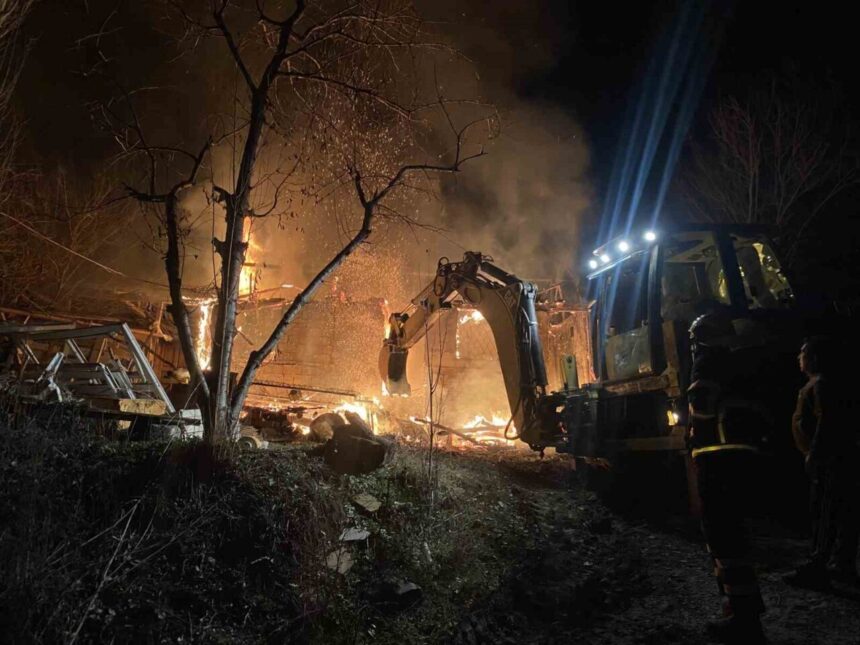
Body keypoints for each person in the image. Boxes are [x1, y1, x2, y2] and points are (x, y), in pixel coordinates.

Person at [686, 314, 767, 643]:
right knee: (734, 534)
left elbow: (701, 402)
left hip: (716, 456)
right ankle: (742, 608)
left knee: (723, 535)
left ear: (700, 339)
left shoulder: (707, 362)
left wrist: (693, 431)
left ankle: (743, 619)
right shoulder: (742, 363)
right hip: (742, 455)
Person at [785, 337, 860, 588]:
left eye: (803, 354)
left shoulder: (820, 385)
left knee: (826, 511)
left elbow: (825, 422)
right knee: (841, 512)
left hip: (829, 461)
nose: (799, 358)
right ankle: (842, 565)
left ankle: (820, 566)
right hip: (835, 458)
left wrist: (814, 454)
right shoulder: (820, 384)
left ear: (814, 358)